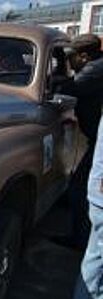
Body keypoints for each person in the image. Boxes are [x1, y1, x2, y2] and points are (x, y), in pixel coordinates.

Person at [55, 34, 103, 251]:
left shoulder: (93, 71)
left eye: (70, 57)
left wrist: (56, 78)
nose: (69, 61)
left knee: (81, 187)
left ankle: (80, 239)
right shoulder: (96, 66)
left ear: (83, 56)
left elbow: (66, 90)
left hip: (99, 141)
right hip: (95, 137)